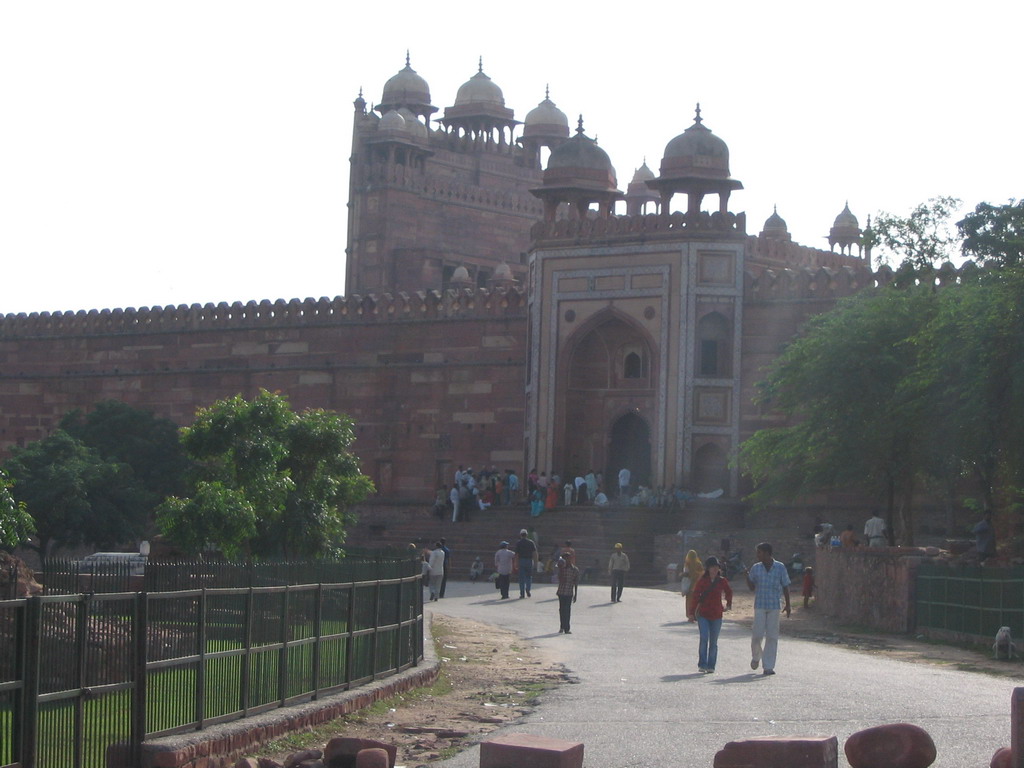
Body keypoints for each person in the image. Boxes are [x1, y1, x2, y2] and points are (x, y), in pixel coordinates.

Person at [744, 542, 791, 676]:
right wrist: (746, 577)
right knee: (757, 635)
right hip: (760, 605)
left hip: (774, 605)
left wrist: (788, 604)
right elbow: (752, 587)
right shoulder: (756, 568)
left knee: (772, 636)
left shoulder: (780, 567)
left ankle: (768, 666)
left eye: (759, 552)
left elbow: (786, 585)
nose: (757, 555)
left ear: (767, 553)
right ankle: (756, 656)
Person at [691, 555, 732, 673]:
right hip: (703, 614)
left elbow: (729, 591)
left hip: (717, 615)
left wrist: (728, 604)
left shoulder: (722, 581)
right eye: (712, 567)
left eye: (716, 567)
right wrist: (692, 613)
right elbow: (695, 596)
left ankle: (711, 665)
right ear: (707, 568)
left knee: (713, 642)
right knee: (704, 638)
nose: (714, 569)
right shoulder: (702, 581)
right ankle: (702, 664)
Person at [555, 550, 579, 634]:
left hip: (569, 592)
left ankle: (567, 628)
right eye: (565, 559)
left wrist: (575, 594)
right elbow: (560, 579)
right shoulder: (561, 568)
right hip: (561, 591)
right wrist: (561, 569)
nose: (567, 560)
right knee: (562, 610)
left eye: (568, 558)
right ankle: (562, 626)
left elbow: (576, 582)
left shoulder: (575, 570)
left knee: (567, 610)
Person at [514, 528, 538, 598]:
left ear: (520, 535)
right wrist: (536, 562)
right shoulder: (531, 542)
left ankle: (522, 593)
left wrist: (516, 563)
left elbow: (517, 554)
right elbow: (535, 553)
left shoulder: (518, 543)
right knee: (529, 577)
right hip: (529, 560)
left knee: (521, 578)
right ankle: (528, 589)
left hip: (521, 560)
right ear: (526, 535)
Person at [682, 549, 704, 621]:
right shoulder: (699, 564)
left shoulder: (687, 563)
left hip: (690, 585)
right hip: (697, 585)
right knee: (696, 601)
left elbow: (686, 573)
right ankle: (695, 615)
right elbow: (702, 574)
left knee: (689, 601)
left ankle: (689, 615)